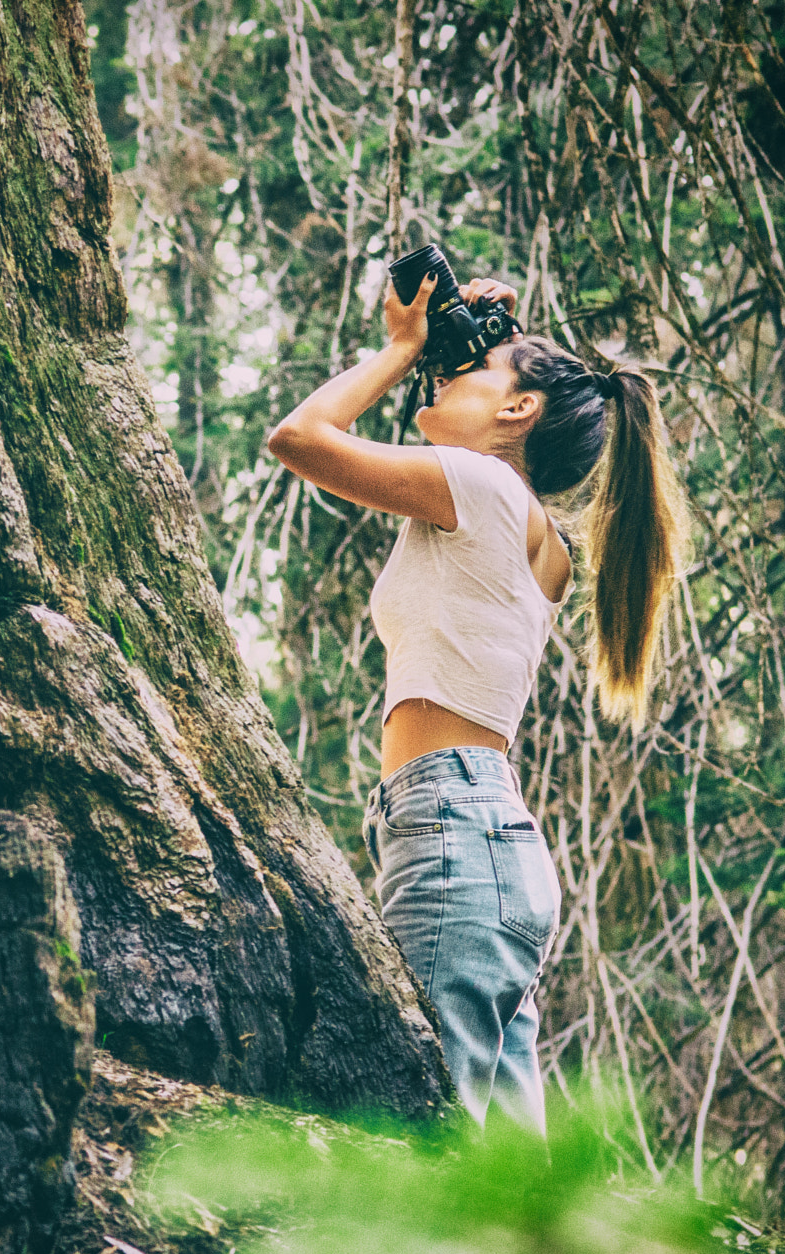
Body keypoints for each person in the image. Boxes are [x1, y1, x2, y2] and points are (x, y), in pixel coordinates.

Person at [266, 274, 688, 1130]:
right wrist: (493, 353)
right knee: (504, 1166)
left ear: (518, 410)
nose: (445, 374)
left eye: (473, 369)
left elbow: (300, 438)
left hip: (457, 837)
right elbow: (479, 428)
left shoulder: (483, 490)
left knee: (442, 1139)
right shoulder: (534, 535)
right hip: (491, 848)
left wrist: (400, 348)